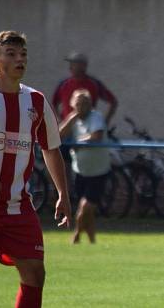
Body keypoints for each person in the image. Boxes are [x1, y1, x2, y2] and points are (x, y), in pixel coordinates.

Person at [0, 30, 71, 308]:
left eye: (23, 54)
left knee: (35, 274)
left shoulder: (36, 101)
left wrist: (63, 193)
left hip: (17, 206)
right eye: (11, 54)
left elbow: (50, 147)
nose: (19, 59)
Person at [59, 89, 110, 244]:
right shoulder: (73, 119)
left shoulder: (96, 117)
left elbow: (96, 136)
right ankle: (92, 241)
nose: (82, 106)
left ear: (91, 104)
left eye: (85, 103)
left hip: (98, 171)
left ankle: (76, 236)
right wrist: (71, 119)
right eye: (78, 103)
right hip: (80, 171)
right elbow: (59, 135)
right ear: (72, 104)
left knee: (85, 207)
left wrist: (78, 142)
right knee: (89, 212)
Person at [52, 52, 118, 125]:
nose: (70, 67)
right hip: (67, 128)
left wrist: (105, 121)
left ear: (83, 66)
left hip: (87, 128)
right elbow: (54, 103)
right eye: (70, 64)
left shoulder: (94, 84)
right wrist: (59, 119)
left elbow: (113, 102)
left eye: (74, 64)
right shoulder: (63, 84)